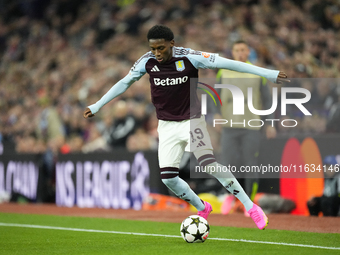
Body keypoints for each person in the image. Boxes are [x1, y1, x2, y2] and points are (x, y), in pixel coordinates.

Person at [83, 25, 289, 230]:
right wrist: (97, 105)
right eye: (153, 48)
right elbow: (124, 82)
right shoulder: (146, 61)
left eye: (161, 48)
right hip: (166, 125)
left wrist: (268, 74)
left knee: (209, 164)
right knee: (168, 178)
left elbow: (230, 63)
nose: (157, 53)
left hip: (192, 120)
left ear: (171, 44)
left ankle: (251, 207)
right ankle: (202, 207)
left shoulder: (190, 57)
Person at [214, 40, 277, 216]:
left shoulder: (257, 73)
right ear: (232, 52)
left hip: (251, 126)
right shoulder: (223, 71)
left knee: (250, 164)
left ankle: (250, 203)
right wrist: (216, 114)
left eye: (243, 50)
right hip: (229, 126)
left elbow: (267, 100)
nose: (240, 53)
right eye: (237, 50)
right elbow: (214, 96)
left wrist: (270, 123)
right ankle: (231, 198)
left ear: (248, 52)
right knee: (227, 164)